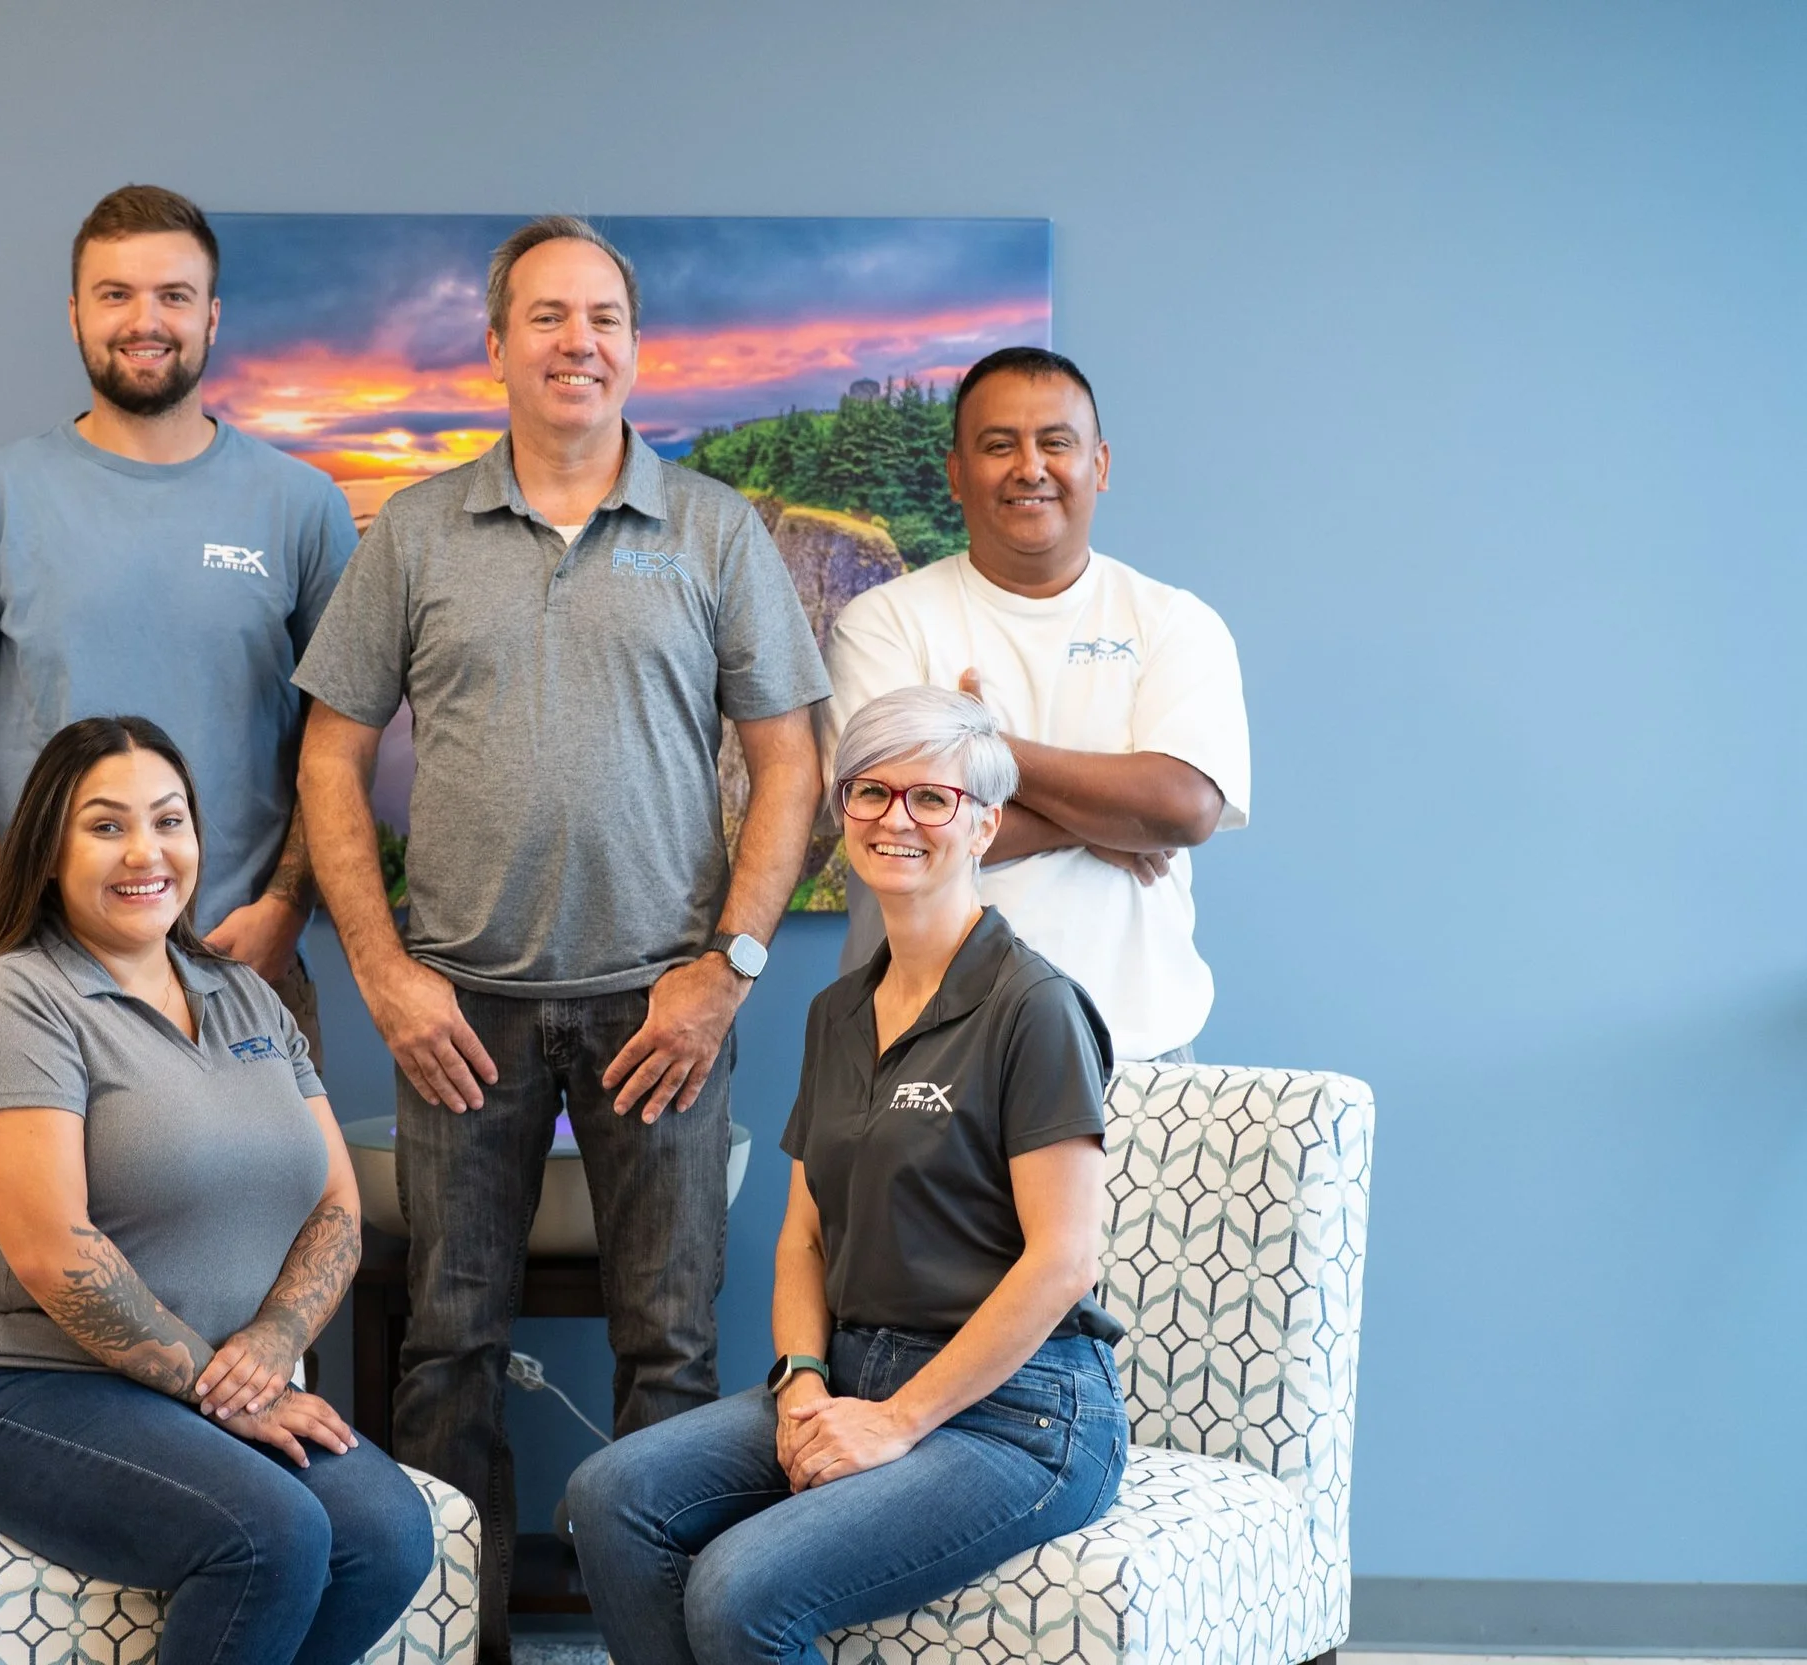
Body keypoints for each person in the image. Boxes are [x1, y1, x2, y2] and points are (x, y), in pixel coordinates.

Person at [292, 215, 830, 1661]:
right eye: (546, 316)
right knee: (447, 1346)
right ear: (497, 346)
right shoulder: (417, 532)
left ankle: (657, 1643)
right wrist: (383, 972)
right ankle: (448, 1643)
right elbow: (329, 754)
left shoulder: (713, 529)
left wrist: (729, 971)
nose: (576, 341)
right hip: (459, 1012)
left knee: (673, 1351)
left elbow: (790, 759)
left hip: (665, 1012)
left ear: (636, 347)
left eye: (602, 317)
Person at [565, 687, 1129, 1665]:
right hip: (853, 1370)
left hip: (1019, 1413)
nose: (894, 818)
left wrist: (898, 1421)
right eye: (870, 791)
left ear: (984, 824)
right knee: (609, 1497)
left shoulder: (1032, 1006)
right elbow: (805, 1237)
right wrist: (801, 1381)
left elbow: (1063, 1261)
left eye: (931, 797)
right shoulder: (836, 1014)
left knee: (739, 1588)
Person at [0, 715, 432, 1665]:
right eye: (106, 825)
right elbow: (56, 1251)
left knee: (387, 1534)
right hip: (22, 1390)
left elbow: (336, 1205)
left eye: (169, 819)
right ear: (49, 852)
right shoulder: (13, 1000)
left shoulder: (245, 993)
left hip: (209, 1386)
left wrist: (274, 1343)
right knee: (271, 1535)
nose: (146, 851)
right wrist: (222, 1391)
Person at [0, 184, 355, 1055]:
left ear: (212, 316)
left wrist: (285, 908)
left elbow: (340, 734)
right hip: (45, 977)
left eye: (174, 295)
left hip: (246, 967)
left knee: (297, 1159)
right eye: (116, 295)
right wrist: (5, 928)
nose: (146, 321)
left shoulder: (301, 506)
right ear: (75, 315)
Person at [820, 347, 1250, 1062]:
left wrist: (985, 749)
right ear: (956, 473)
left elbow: (1183, 809)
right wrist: (1110, 820)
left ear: (1099, 464)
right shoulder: (883, 623)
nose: (1030, 467)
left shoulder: (1174, 622)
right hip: (923, 1042)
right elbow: (899, 829)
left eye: (1056, 442)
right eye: (998, 446)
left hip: (1135, 1047)